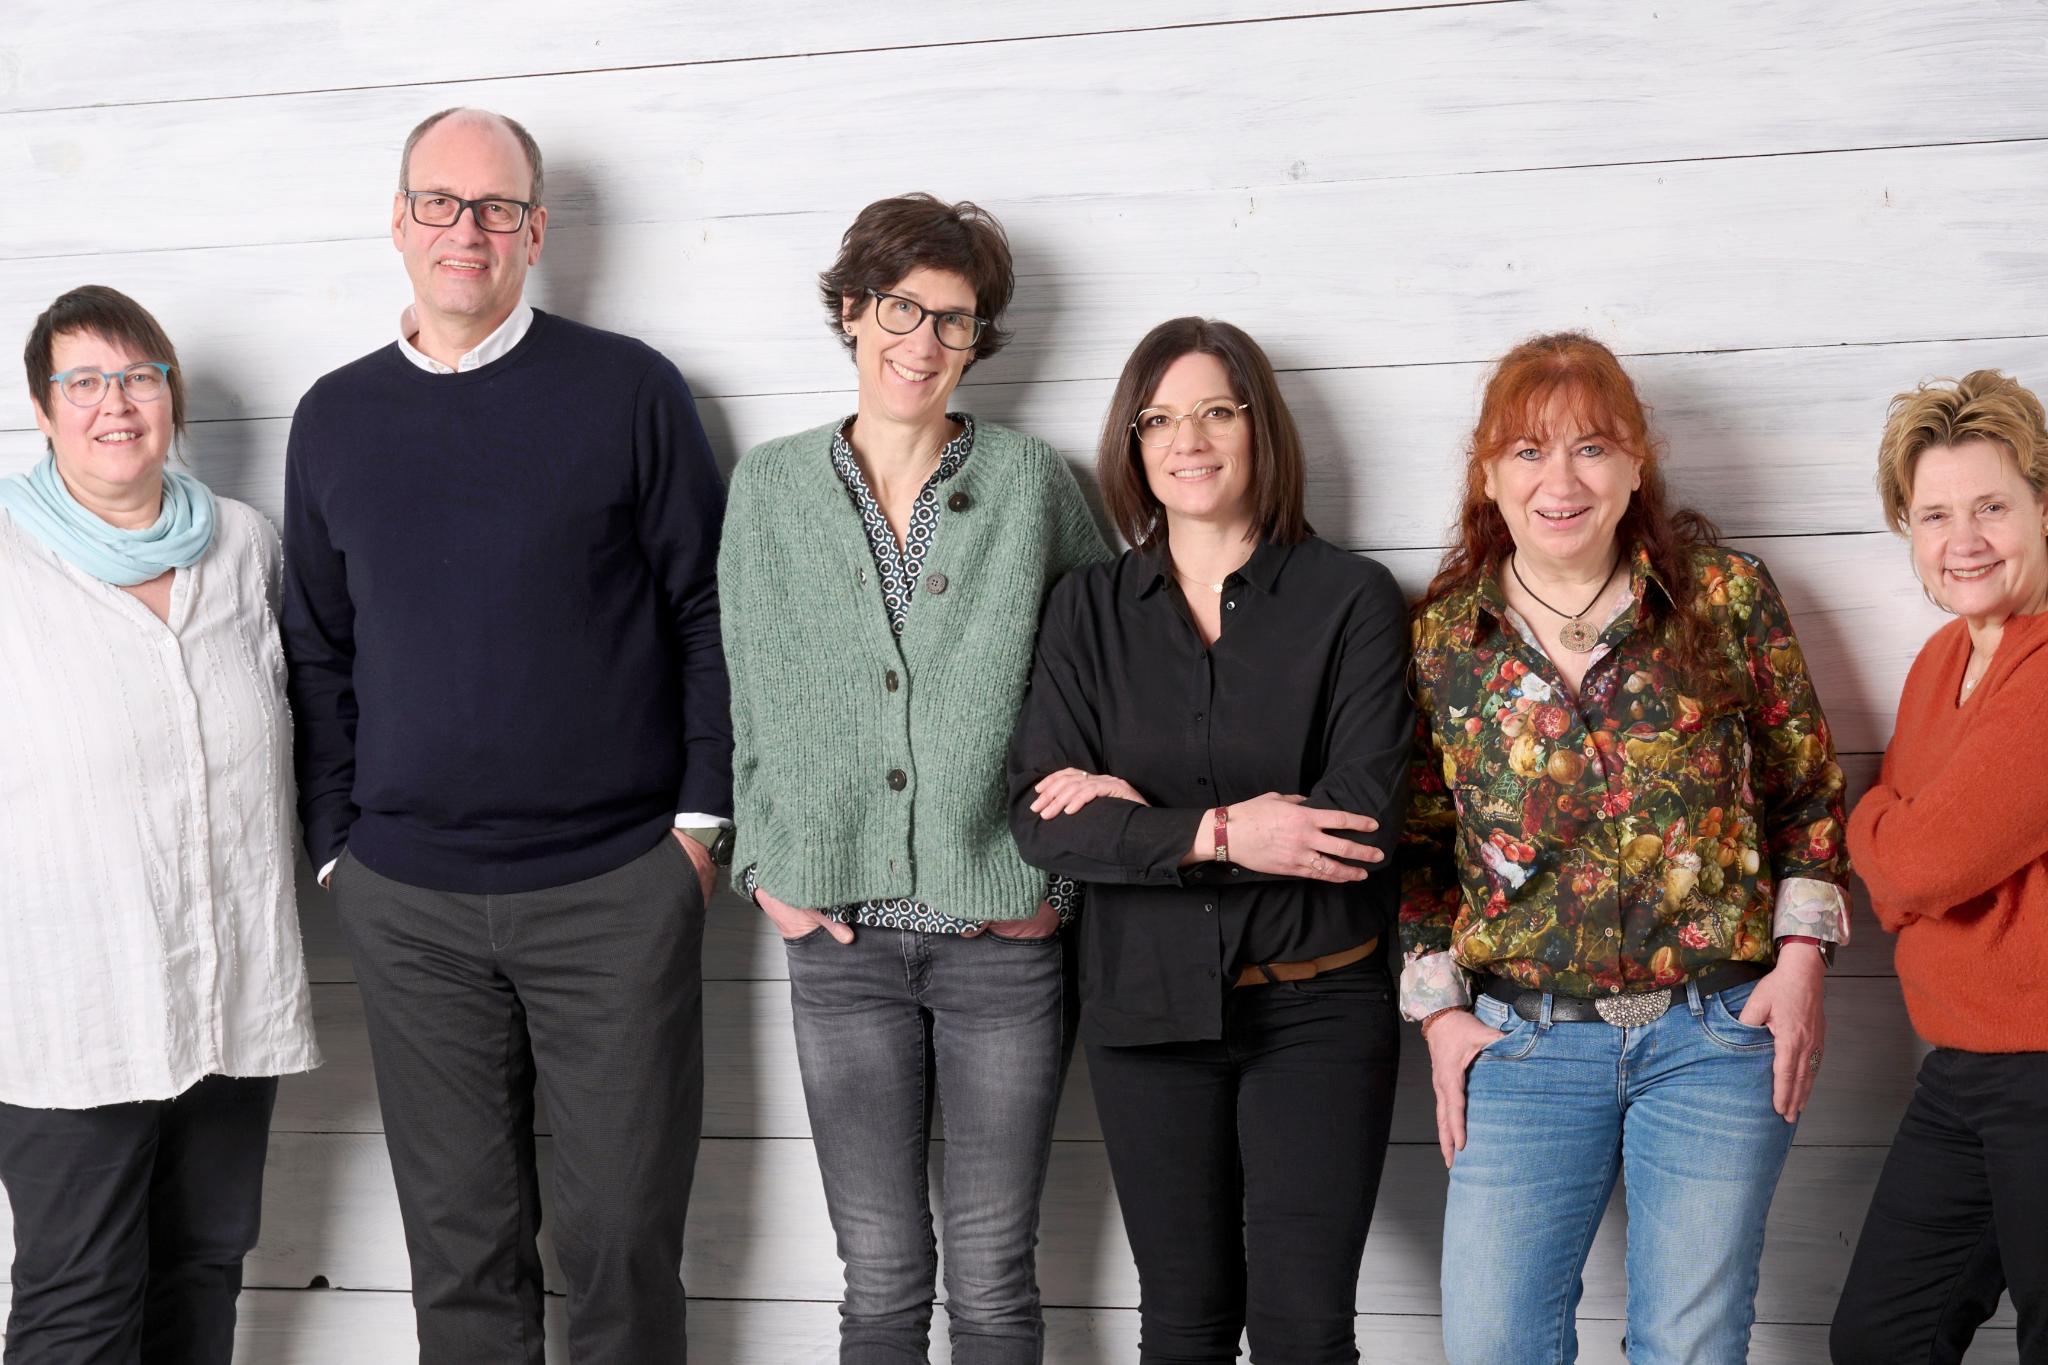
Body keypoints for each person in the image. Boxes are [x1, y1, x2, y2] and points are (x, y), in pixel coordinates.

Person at [280, 108, 730, 1362]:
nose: (463, 230)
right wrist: (336, 852)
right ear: (398, 222)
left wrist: (696, 830)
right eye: (438, 202)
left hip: (612, 891)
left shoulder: (627, 388)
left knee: (619, 1245)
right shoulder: (334, 417)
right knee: (459, 1252)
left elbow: (705, 608)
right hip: (408, 905)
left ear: (534, 230)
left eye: (492, 207)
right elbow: (315, 651)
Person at [1398, 331, 1851, 1364]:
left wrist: (1798, 964)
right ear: (1487, 477)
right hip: (1519, 1046)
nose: (1559, 480)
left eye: (1591, 448)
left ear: (1636, 464)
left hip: (1715, 1038)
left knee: (1688, 1347)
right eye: (1526, 451)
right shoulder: (1441, 640)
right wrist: (1437, 1021)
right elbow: (1417, 849)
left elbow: (1806, 792)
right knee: (1489, 1343)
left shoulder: (1723, 597)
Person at [718, 192, 1106, 1364]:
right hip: (836, 941)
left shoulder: (1035, 485)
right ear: (850, 311)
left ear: (979, 339)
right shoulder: (770, 487)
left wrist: (1064, 888)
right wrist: (760, 870)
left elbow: (1106, 688)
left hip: (1001, 938)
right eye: (900, 308)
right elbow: (739, 690)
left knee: (993, 1275)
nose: (923, 342)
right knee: (879, 1278)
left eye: (955, 319)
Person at [1007, 316, 1410, 1363]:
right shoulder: (1084, 610)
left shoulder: (1350, 599)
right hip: (1145, 1014)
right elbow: (1044, 824)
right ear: (1133, 447)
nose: (1187, 439)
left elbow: (1358, 820)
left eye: (1215, 411)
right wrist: (1230, 828)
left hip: (1318, 1003)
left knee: (1302, 1331)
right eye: (1158, 419)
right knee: (1179, 1329)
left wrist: (1138, 819)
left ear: (1258, 427)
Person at [0, 285, 320, 1363]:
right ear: (43, 411)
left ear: (170, 396)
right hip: (67, 1010)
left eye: (140, 376)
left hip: (228, 994)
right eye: (83, 381)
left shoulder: (243, 548)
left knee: (202, 1268)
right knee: (79, 1294)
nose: (116, 403)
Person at [1829, 370, 2048, 1365]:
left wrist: (1872, 821)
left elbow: (1912, 869)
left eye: (1990, 507)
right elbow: (1913, 859)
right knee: (1879, 1341)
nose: (1962, 541)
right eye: (1932, 515)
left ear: (2041, 508)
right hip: (1959, 1068)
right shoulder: (1935, 663)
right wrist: (1894, 838)